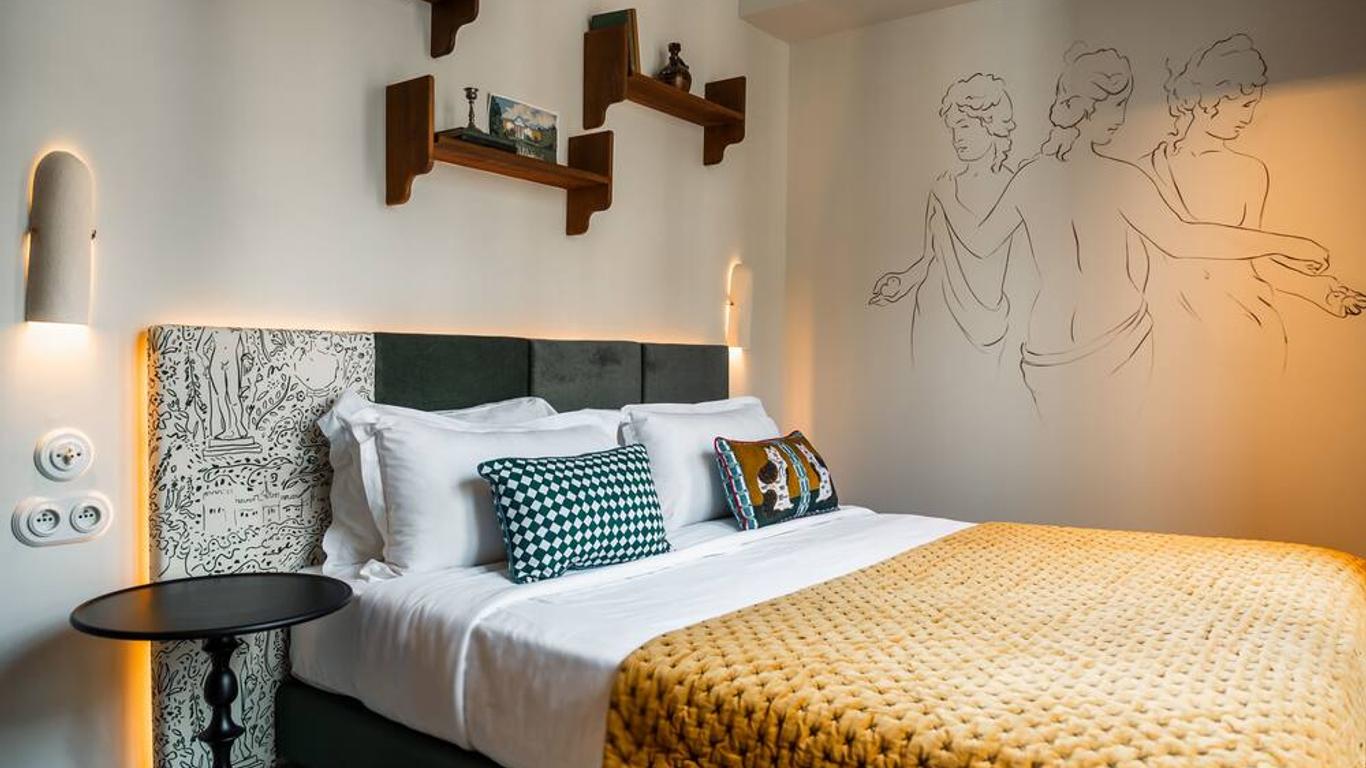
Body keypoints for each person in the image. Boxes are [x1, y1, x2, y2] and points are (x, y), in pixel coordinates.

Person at [930, 46, 1329, 420]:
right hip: (1064, 351)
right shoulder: (1117, 177)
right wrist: (1288, 244)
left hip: (1098, 341)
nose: (1121, 118)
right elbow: (1184, 239)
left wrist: (947, 201)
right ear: (1087, 108)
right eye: (1117, 105)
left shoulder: (1033, 176)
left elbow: (980, 242)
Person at [1140, 33, 1364, 375]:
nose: (1249, 116)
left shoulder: (1249, 171)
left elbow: (1255, 262)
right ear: (1212, 100)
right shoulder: (1149, 168)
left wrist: (1323, 291)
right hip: (1172, 331)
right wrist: (1292, 245)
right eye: (1244, 104)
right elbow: (1180, 240)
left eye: (1253, 104)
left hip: (1245, 322)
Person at [870, 74, 1019, 375]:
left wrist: (948, 198)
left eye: (964, 126)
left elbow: (982, 243)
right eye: (953, 129)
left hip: (983, 325)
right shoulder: (944, 185)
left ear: (990, 124)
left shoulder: (1012, 186)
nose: (956, 138)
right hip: (932, 316)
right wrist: (901, 282)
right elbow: (930, 257)